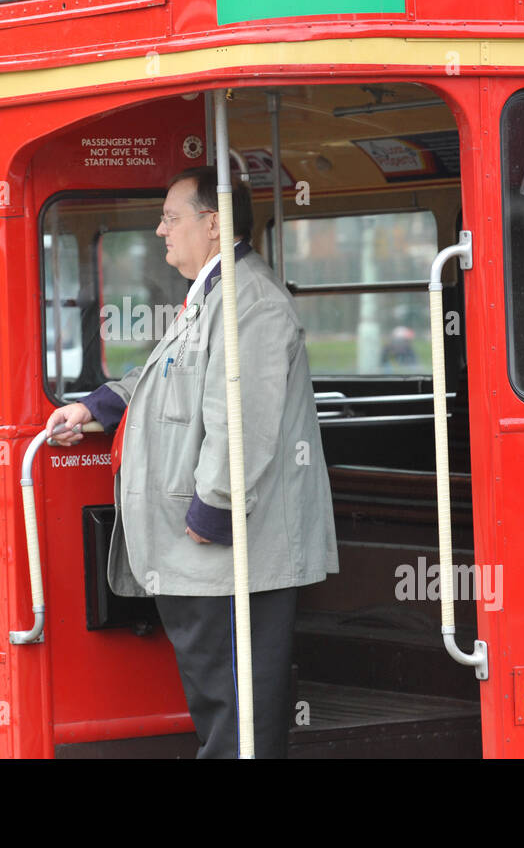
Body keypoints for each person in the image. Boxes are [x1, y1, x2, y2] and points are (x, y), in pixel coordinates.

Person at [45, 165, 338, 758]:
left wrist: (212, 513)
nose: (159, 231)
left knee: (237, 725)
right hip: (204, 559)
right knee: (221, 711)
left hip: (228, 558)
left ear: (212, 223)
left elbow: (243, 423)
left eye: (170, 217)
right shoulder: (212, 294)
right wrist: (94, 408)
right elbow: (166, 378)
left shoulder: (249, 303)